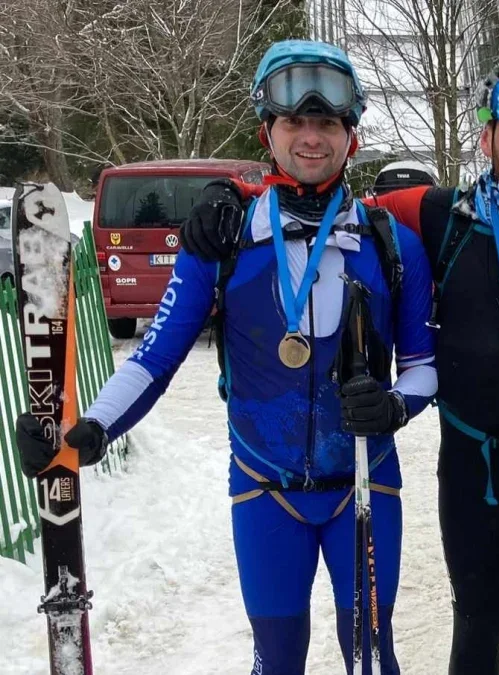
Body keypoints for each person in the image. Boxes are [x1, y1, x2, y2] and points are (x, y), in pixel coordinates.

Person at [16, 39, 436, 674]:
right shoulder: (224, 236)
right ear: (267, 129)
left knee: (374, 659)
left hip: (364, 483)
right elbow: (155, 355)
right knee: (277, 660)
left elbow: (424, 365)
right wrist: (89, 429)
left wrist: (396, 404)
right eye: (295, 121)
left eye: (327, 122)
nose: (311, 138)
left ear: (351, 134)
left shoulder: (391, 243)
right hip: (265, 491)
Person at [182, 54, 499, 675]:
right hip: (472, 472)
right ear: (488, 137)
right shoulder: (438, 217)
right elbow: (323, 194)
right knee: (477, 624)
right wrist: (234, 190)